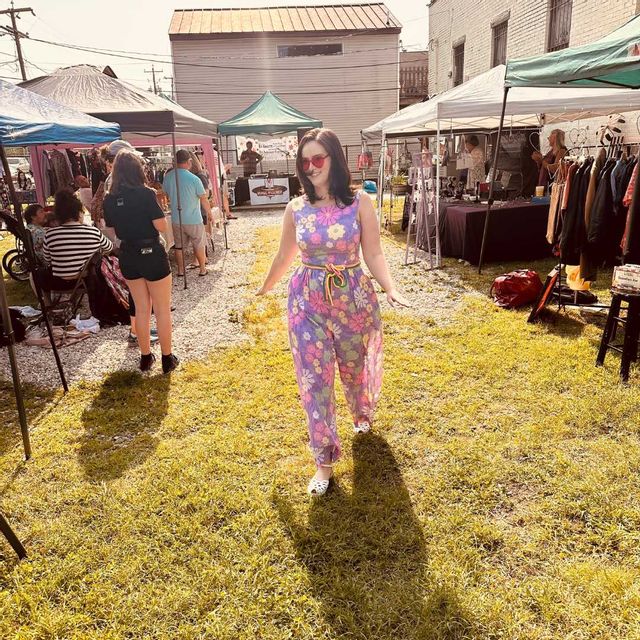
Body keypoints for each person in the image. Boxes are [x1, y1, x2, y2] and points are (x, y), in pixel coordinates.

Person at [256, 128, 409, 496]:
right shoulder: (295, 208)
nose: (310, 167)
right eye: (304, 161)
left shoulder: (360, 203)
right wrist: (265, 286)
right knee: (315, 381)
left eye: (318, 159)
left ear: (334, 160)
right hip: (306, 301)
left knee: (354, 369)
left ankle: (360, 411)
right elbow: (284, 255)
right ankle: (323, 461)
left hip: (353, 297)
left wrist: (390, 287)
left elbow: (373, 252)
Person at [103, 150, 178, 374]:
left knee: (141, 308)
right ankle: (167, 357)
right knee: (162, 308)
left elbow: (113, 229)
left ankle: (145, 357)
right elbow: (161, 226)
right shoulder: (146, 194)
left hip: (128, 253)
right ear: (138, 169)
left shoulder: (109, 198)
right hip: (151, 251)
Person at [40, 190, 113, 292]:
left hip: (58, 282)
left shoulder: (50, 234)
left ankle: (48, 304)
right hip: (88, 282)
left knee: (35, 275)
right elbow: (109, 247)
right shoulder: (93, 231)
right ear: (79, 213)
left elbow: (47, 259)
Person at [163, 149, 212, 277]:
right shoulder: (194, 178)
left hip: (176, 218)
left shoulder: (168, 177)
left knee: (179, 246)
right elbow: (203, 199)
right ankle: (202, 268)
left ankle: (180, 270)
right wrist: (210, 213)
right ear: (189, 161)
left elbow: (166, 194)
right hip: (193, 218)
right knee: (198, 243)